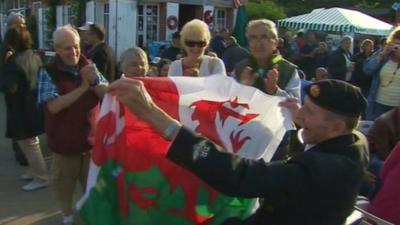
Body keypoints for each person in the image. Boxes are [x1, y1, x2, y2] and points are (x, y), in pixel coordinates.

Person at [108, 78, 368, 225]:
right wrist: (302, 121)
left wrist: (158, 118)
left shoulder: (325, 169)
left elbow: (241, 176)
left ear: (335, 127)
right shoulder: (353, 141)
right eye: (304, 107)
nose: (300, 114)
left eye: (309, 113)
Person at [37, 25, 108, 225]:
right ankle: (68, 219)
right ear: (57, 50)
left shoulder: (89, 66)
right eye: (67, 48)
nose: (74, 52)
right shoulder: (48, 71)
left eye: (76, 46)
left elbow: (107, 95)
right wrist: (83, 87)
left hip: (90, 147)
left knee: (91, 191)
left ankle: (88, 218)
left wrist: (94, 82)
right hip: (64, 148)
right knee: (64, 191)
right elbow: (54, 106)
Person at [0, 27, 49, 191]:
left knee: (29, 143)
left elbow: (10, 87)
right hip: (32, 104)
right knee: (28, 142)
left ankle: (41, 176)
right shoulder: (35, 56)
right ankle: (34, 170)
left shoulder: (14, 61)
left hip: (21, 107)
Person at [234, 19, 301, 99]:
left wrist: (275, 91)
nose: (258, 43)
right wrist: (242, 88)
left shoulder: (288, 70)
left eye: (264, 37)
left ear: (275, 43)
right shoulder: (240, 68)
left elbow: (296, 106)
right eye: (253, 38)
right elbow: (225, 103)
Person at [0, 13, 28, 166]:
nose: (23, 26)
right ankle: (21, 153)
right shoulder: (9, 44)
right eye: (21, 24)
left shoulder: (11, 41)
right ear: (13, 25)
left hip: (17, 90)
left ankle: (21, 152)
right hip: (15, 91)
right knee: (17, 121)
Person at [364, 26, 400, 120]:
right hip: (379, 103)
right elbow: (367, 70)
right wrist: (381, 56)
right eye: (396, 44)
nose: (397, 47)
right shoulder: (384, 54)